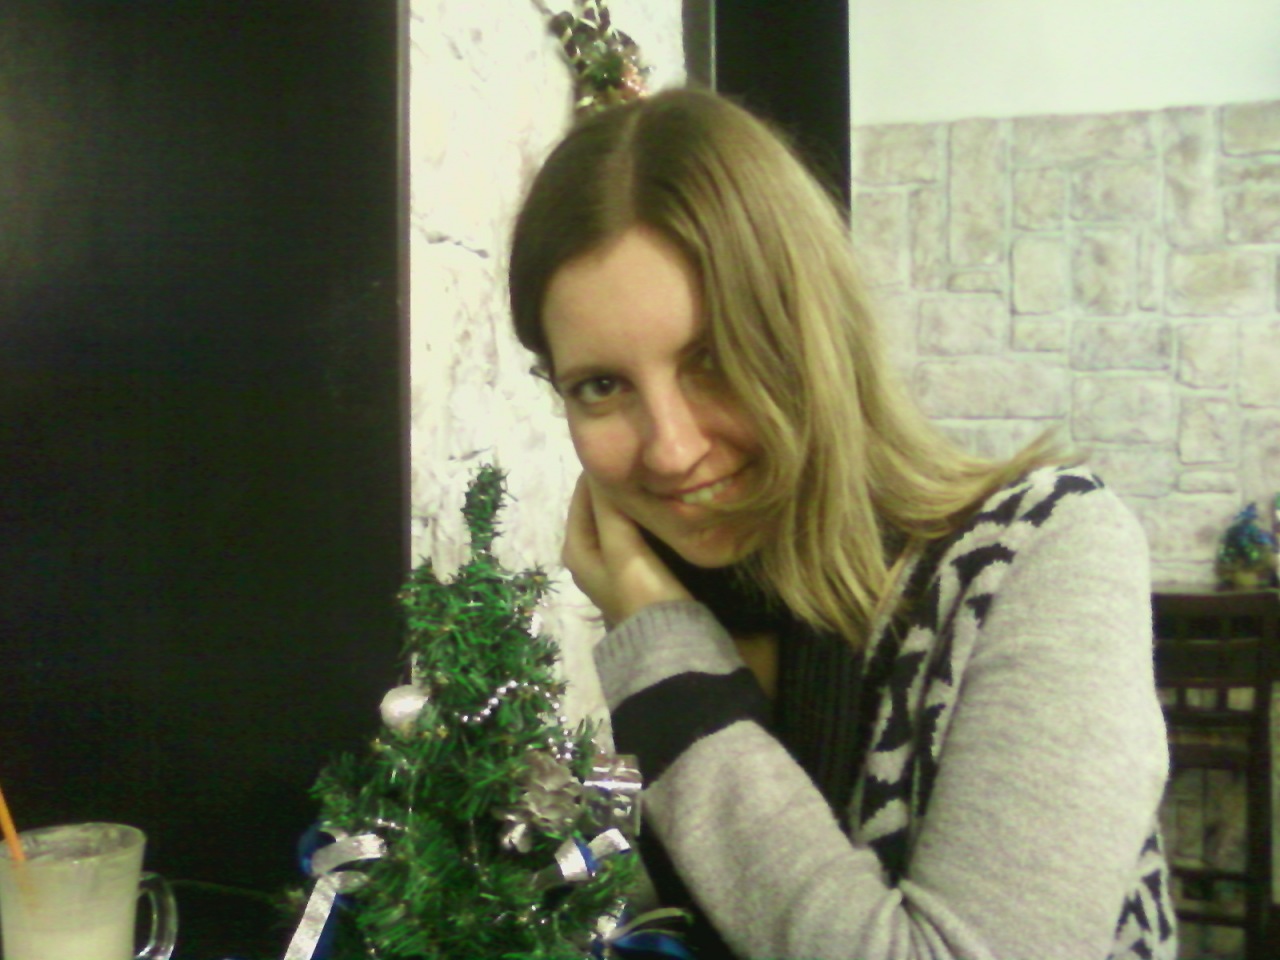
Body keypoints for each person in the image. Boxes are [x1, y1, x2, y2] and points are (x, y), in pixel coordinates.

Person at [507, 88, 1175, 960]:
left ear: (815, 332)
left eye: (713, 358)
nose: (670, 450)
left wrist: (666, 663)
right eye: (601, 385)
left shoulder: (1045, 555)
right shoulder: (682, 596)